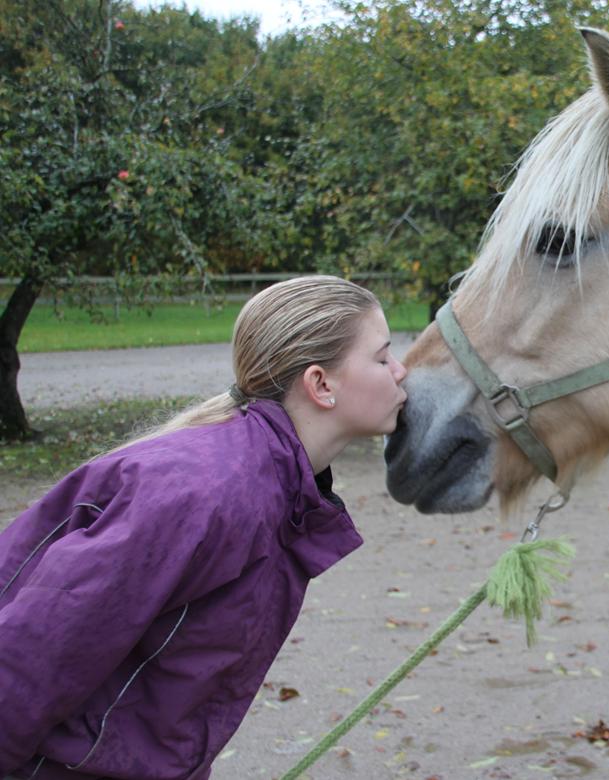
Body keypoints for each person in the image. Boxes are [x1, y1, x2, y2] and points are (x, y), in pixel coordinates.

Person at [0, 275, 408, 780]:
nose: (401, 369)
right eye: (382, 356)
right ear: (321, 384)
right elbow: (33, 654)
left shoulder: (274, 487)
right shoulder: (209, 494)